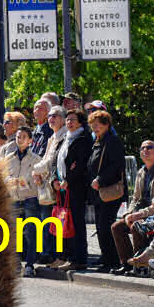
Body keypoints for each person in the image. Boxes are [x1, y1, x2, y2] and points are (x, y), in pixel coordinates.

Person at [112, 140, 154, 273]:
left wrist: (137, 216)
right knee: (117, 227)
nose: (145, 150)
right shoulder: (141, 172)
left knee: (136, 226)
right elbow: (135, 199)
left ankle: (140, 265)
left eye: (149, 147)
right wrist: (128, 214)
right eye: (142, 148)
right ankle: (127, 263)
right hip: (141, 213)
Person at [87, 109, 126, 271]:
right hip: (98, 192)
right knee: (100, 226)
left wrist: (100, 179)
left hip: (109, 190)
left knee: (105, 226)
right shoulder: (98, 141)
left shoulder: (112, 141)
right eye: (92, 126)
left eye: (98, 125)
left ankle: (113, 260)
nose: (95, 128)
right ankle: (106, 257)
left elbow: (116, 166)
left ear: (106, 125)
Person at [55, 109, 93, 271]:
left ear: (80, 122)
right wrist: (54, 180)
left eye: (72, 120)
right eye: (67, 119)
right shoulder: (66, 138)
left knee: (76, 223)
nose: (69, 122)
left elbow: (80, 165)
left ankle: (79, 258)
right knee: (65, 221)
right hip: (62, 187)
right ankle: (68, 255)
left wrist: (68, 180)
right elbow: (57, 160)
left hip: (76, 188)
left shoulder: (83, 139)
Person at [33, 105, 67, 262]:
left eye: (55, 116)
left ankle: (55, 254)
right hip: (48, 185)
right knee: (46, 220)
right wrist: (37, 172)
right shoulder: (52, 137)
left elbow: (50, 162)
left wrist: (35, 170)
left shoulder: (64, 136)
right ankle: (47, 252)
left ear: (62, 119)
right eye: (50, 116)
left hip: (59, 185)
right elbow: (45, 159)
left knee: (57, 220)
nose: (51, 119)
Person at [6, 127, 41, 276]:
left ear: (30, 141)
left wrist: (27, 182)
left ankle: (30, 264)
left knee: (31, 232)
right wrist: (10, 181)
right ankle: (17, 264)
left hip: (30, 198)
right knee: (16, 233)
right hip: (14, 198)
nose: (19, 139)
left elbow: (39, 180)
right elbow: (3, 177)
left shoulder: (36, 159)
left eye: (23, 137)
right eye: (18, 136)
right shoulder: (9, 158)